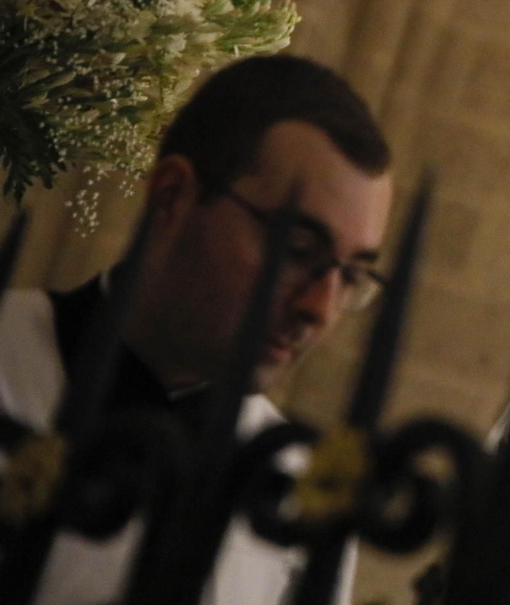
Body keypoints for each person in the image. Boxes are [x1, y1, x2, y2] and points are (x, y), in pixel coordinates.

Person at [0, 54, 394, 605]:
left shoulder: (304, 487)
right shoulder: (10, 353)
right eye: (297, 251)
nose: (321, 309)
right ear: (172, 196)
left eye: (352, 276)